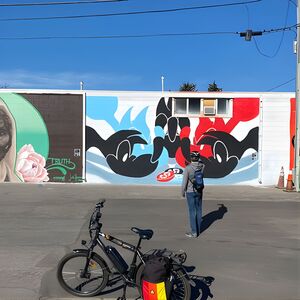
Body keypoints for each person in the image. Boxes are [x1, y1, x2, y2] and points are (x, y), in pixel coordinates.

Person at [181, 151, 205, 238]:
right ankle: (198, 229)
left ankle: (194, 232)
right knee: (199, 210)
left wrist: (182, 192)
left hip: (190, 191)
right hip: (199, 190)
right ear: (198, 157)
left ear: (191, 158)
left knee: (192, 211)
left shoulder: (188, 168)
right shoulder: (202, 166)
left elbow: (184, 183)